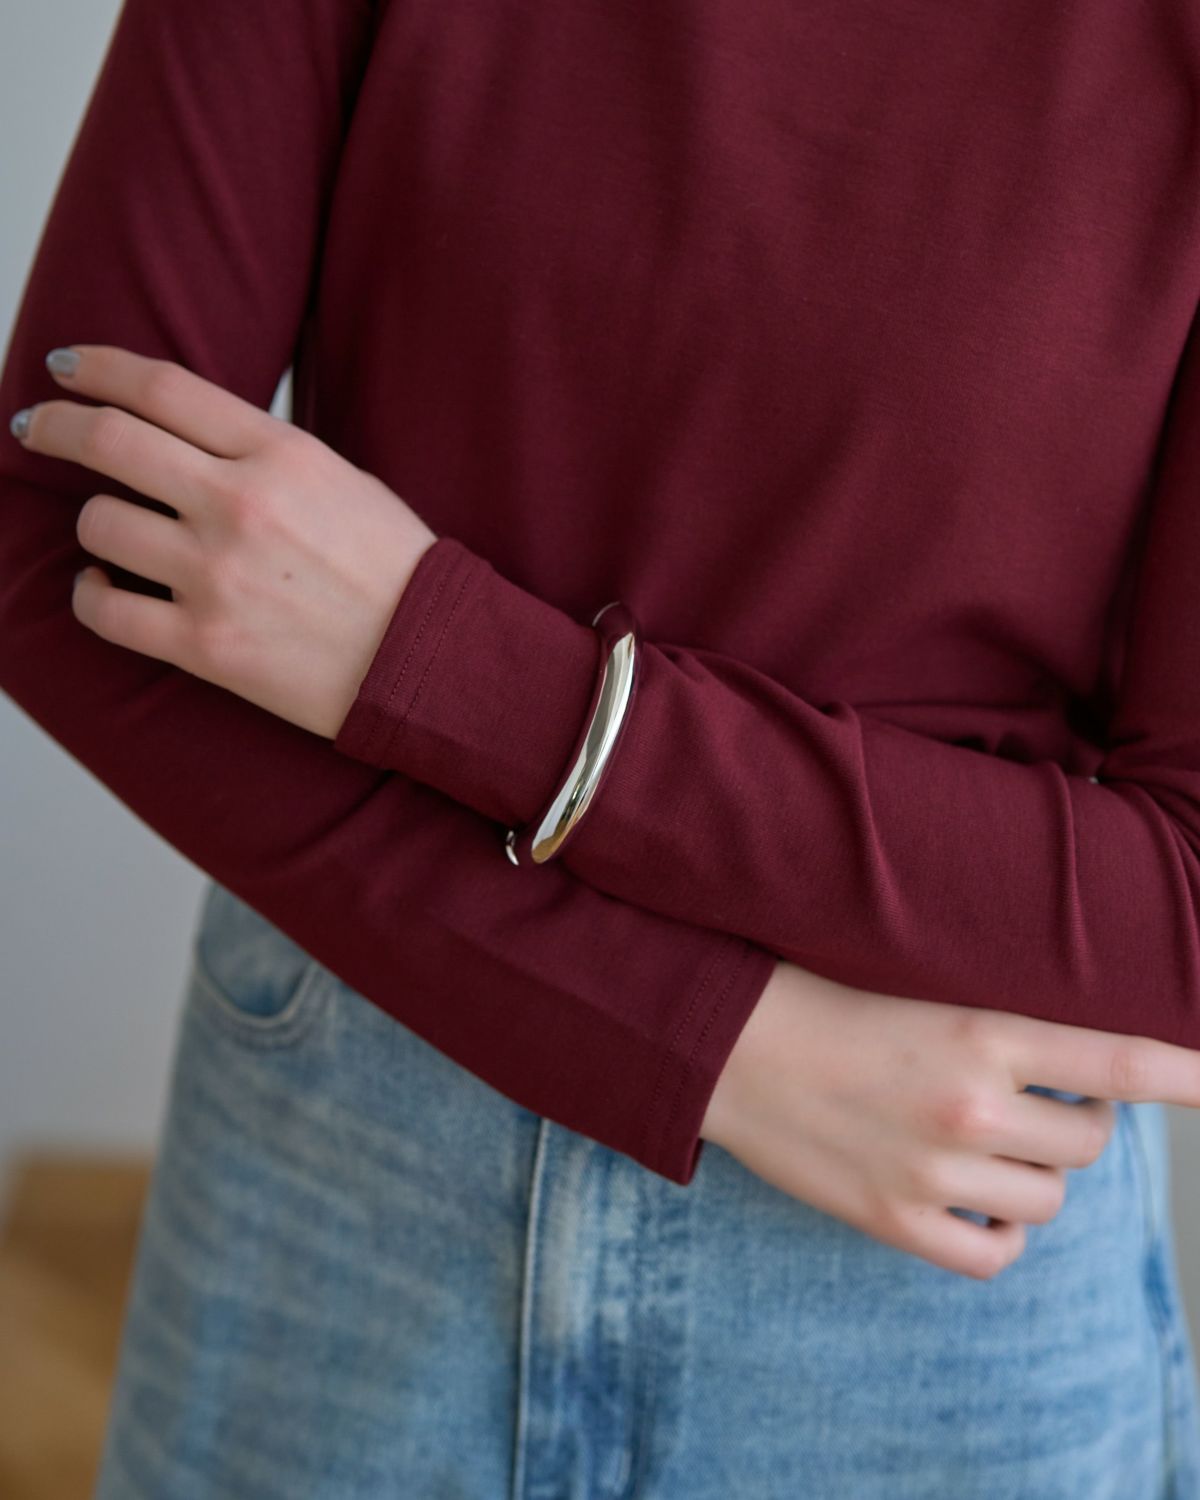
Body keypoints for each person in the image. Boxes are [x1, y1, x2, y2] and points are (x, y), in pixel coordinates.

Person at [2, 0, 1200, 1493]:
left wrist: (451, 665)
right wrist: (711, 1044)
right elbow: (67, 549)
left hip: (929, 1255)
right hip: (350, 1164)